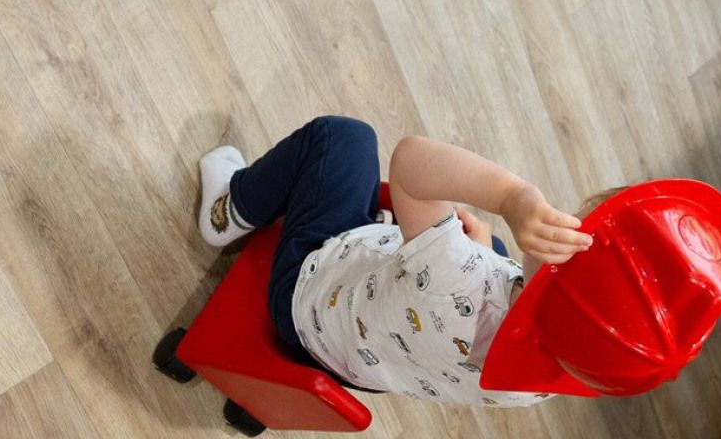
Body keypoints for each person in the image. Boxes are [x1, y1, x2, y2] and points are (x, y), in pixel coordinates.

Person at [195, 116, 594, 407]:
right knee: (497, 249)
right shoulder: (554, 379)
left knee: (344, 138)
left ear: (560, 274)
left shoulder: (455, 275)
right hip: (368, 366)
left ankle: (229, 210)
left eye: (576, 231)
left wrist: (512, 197)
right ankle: (414, 253)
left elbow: (410, 163)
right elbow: (493, 302)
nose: (570, 222)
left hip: (308, 300)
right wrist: (486, 255)